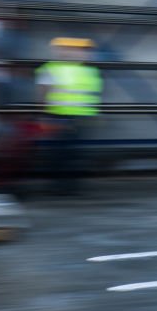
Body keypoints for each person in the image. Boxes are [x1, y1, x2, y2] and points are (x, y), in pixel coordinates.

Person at [35, 37, 102, 195]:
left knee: (70, 153)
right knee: (60, 153)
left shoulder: (90, 70)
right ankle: (60, 186)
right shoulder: (52, 68)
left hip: (79, 116)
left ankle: (68, 186)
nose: (79, 54)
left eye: (82, 51)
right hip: (59, 116)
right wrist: (43, 115)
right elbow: (43, 92)